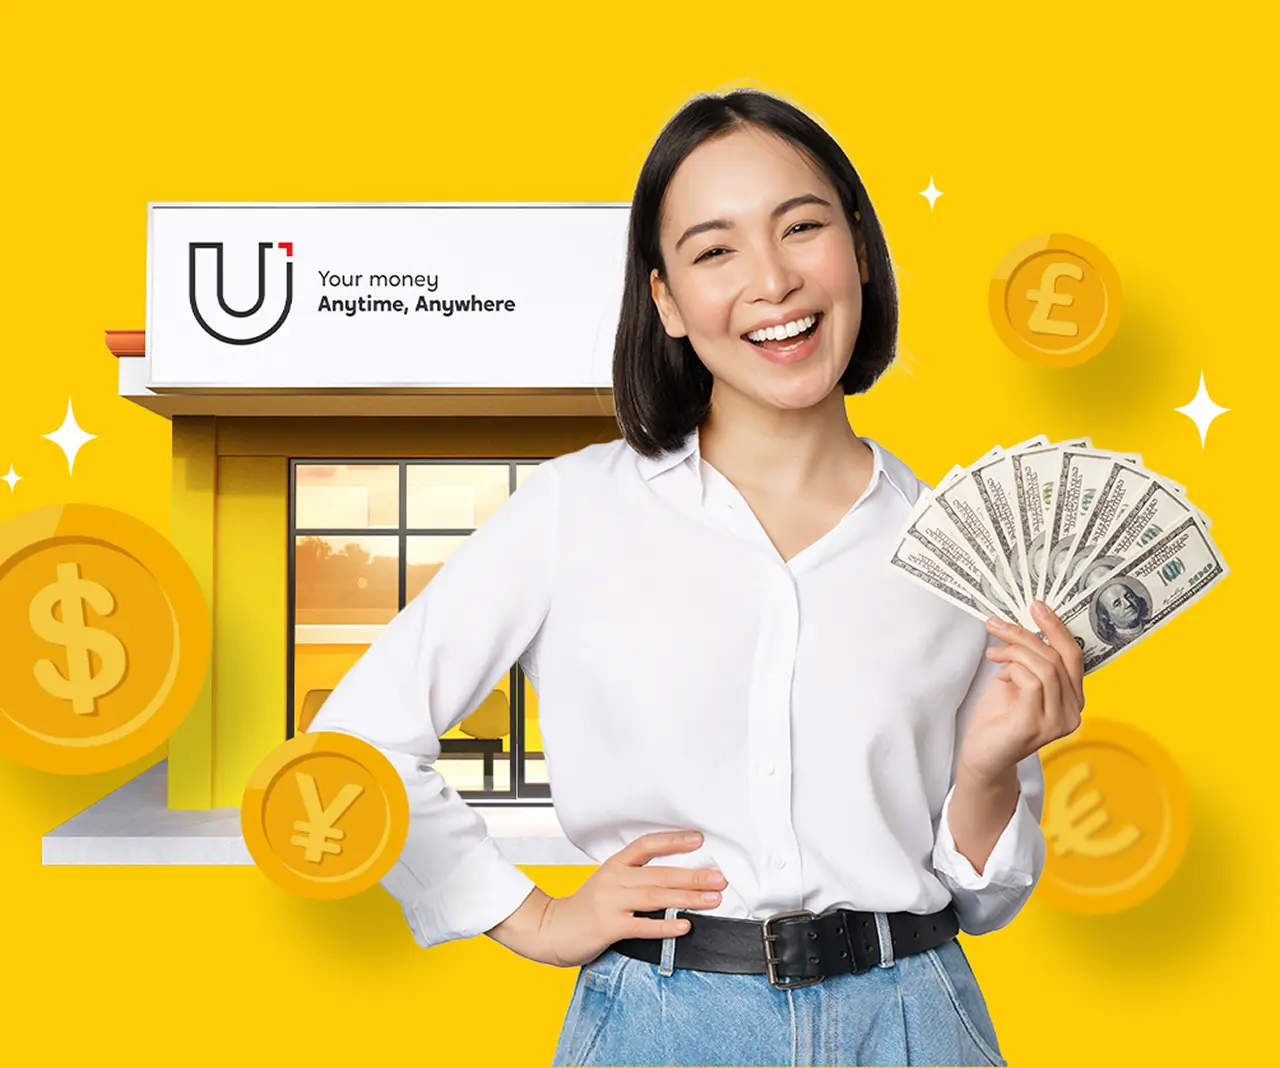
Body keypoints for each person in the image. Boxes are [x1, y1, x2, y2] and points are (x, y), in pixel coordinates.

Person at [307, 88, 1087, 1067]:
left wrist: (982, 772)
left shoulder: (963, 546)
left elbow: (983, 898)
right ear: (666, 301)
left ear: (855, 246)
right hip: (662, 1026)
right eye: (715, 250)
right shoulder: (570, 513)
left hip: (913, 1019)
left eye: (800, 227)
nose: (772, 280)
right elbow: (357, 741)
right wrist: (533, 918)